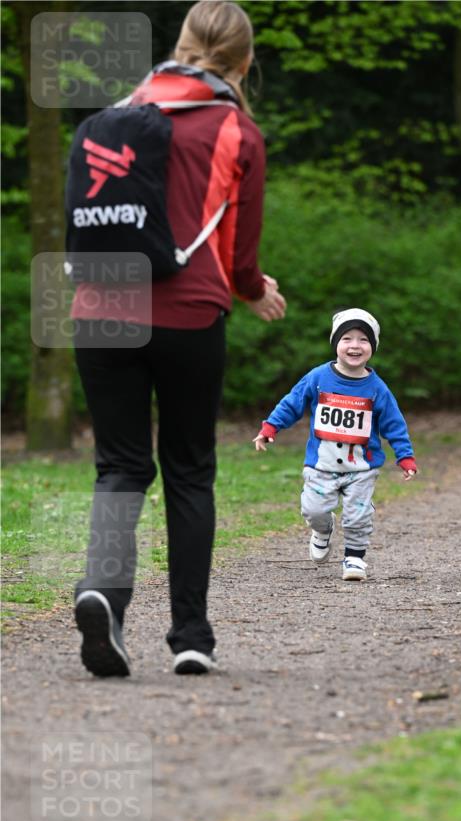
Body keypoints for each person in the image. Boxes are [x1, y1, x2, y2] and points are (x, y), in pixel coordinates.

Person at [71, 1, 286, 679]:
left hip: (101, 308)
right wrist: (254, 290)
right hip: (188, 313)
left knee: (119, 466)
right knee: (189, 471)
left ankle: (102, 594)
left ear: (182, 45)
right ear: (245, 61)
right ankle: (191, 636)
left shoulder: (118, 113)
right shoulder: (236, 131)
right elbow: (240, 254)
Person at [253, 308, 418, 581]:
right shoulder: (318, 377)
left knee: (358, 515)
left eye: (363, 339)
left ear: (373, 347)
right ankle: (322, 529)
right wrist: (271, 427)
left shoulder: (377, 388)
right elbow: (293, 402)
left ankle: (354, 558)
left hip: (362, 468)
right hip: (321, 464)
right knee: (314, 509)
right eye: (347, 338)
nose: (355, 345)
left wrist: (405, 457)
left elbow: (394, 425)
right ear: (335, 343)